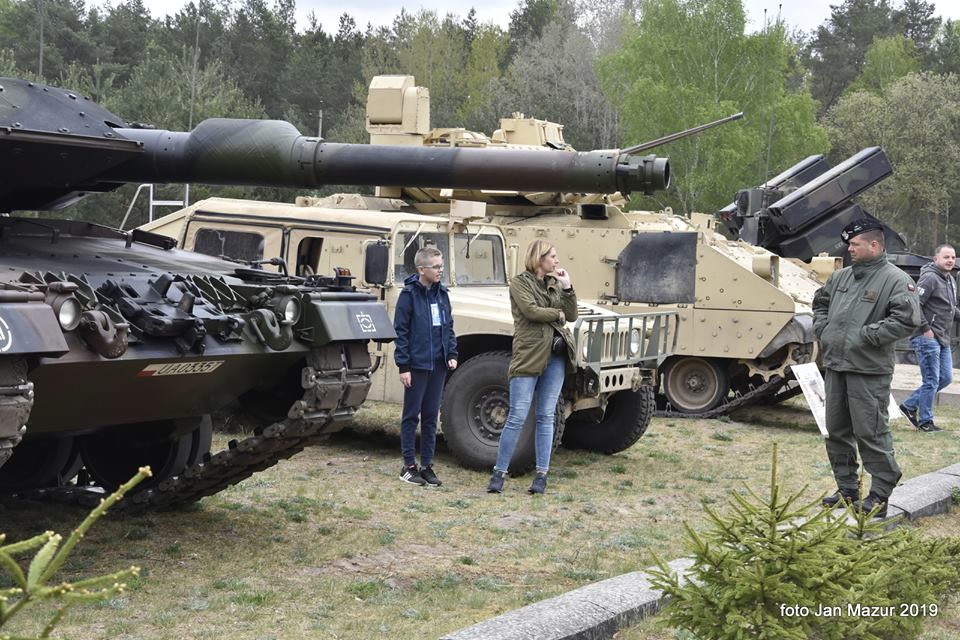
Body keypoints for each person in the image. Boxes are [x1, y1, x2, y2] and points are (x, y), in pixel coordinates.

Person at [813, 218, 921, 517]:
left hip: (868, 370)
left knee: (871, 432)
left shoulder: (896, 280)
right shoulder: (841, 278)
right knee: (836, 431)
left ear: (874, 245)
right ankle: (847, 489)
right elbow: (820, 304)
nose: (849, 249)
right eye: (849, 244)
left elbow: (906, 320)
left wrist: (867, 336)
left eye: (855, 244)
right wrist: (824, 330)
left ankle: (880, 494)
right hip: (837, 366)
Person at [487, 240, 577, 495]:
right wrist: (556, 314)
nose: (556, 261)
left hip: (555, 356)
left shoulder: (553, 283)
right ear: (540, 258)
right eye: (553, 256)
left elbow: (571, 315)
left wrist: (568, 288)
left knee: (546, 415)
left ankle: (541, 475)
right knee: (517, 415)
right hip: (528, 355)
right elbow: (531, 311)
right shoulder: (520, 283)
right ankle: (499, 473)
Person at [393, 246, 458, 487]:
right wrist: (404, 366)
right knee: (412, 416)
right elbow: (401, 332)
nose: (440, 270)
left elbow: (448, 327)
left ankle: (427, 466)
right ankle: (408, 466)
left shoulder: (442, 295)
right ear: (422, 269)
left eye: (442, 266)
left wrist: (451, 353)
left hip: (438, 365)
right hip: (417, 365)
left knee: (431, 416)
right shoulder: (408, 295)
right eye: (436, 266)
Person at [899, 244, 958, 433]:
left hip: (942, 338)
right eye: (946, 257)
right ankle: (926, 422)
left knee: (945, 378)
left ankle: (909, 405)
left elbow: (949, 308)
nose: (950, 260)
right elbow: (915, 304)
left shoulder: (950, 279)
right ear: (935, 259)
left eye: (953, 257)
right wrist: (925, 329)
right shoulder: (930, 278)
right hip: (927, 337)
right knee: (932, 380)